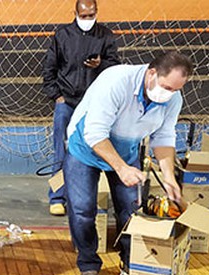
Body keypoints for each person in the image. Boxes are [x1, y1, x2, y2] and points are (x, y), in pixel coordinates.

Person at [64, 51, 194, 275]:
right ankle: (89, 264)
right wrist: (122, 168)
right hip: (85, 148)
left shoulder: (172, 99)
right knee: (82, 210)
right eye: (166, 87)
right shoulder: (115, 81)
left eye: (176, 90)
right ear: (152, 73)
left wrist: (169, 179)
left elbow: (163, 137)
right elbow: (95, 133)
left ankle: (130, 260)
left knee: (131, 211)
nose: (169, 94)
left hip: (126, 150)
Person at [42, 0, 120, 216]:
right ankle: (57, 197)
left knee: (91, 151)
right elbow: (50, 68)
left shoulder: (106, 35)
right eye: (84, 16)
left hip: (93, 105)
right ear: (75, 13)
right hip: (66, 102)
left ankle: (87, 199)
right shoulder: (62, 36)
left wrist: (100, 64)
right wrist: (56, 96)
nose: (88, 19)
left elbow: (115, 67)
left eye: (92, 15)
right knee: (61, 151)